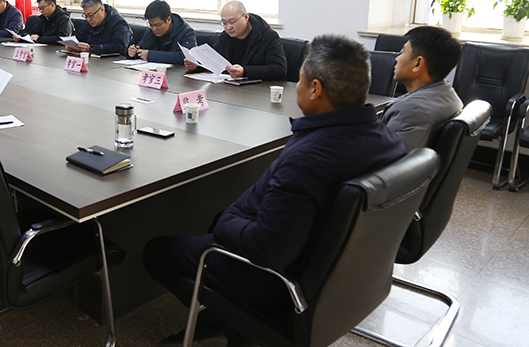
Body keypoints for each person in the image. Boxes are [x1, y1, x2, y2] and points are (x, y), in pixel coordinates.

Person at [144, 35, 406, 347]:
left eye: (301, 79)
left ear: (315, 88)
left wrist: (226, 221)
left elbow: (266, 250)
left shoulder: (309, 158)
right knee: (217, 221)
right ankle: (228, 318)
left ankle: (235, 320)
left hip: (275, 278)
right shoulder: (388, 140)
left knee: (158, 252)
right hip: (344, 276)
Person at [382, 25, 463, 150]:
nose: (397, 59)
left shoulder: (412, 110)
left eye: (402, 53)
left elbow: (385, 156)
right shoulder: (448, 93)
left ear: (418, 63)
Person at [184, 1, 287, 80]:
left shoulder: (267, 37)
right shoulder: (226, 36)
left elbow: (279, 70)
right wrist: (196, 66)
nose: (228, 27)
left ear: (246, 17)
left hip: (258, 92)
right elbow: (214, 60)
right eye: (224, 23)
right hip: (230, 89)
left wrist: (245, 71)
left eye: (232, 22)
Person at [128, 0, 196, 65]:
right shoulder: (150, 31)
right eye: (151, 25)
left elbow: (184, 57)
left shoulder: (186, 32)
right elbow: (141, 48)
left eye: (157, 25)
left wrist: (150, 55)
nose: (154, 29)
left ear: (169, 20)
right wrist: (133, 52)